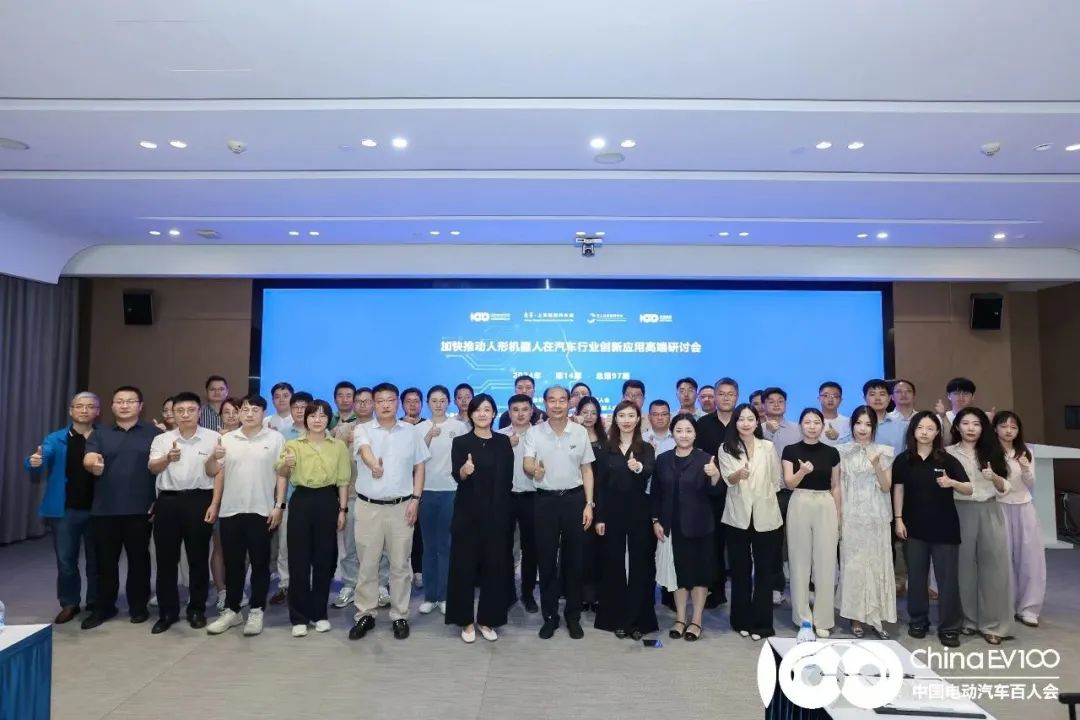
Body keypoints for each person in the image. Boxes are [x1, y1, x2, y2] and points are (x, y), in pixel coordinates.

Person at [348, 383, 431, 641]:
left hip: (402, 507)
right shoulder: (362, 429)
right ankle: (365, 613)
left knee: (400, 564)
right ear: (373, 403)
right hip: (368, 507)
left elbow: (419, 467)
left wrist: (416, 499)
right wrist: (374, 465)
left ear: (397, 403)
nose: (385, 404)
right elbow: (364, 451)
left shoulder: (411, 431)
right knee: (367, 563)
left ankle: (400, 614)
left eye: (390, 400)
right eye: (380, 400)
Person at [205, 395, 287, 636]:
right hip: (231, 510)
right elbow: (213, 472)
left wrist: (279, 505)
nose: (249, 414)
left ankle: (256, 610)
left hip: (262, 510)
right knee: (233, 563)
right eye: (245, 409)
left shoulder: (275, 439)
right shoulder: (227, 439)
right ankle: (232, 611)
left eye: (255, 410)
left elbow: (282, 474)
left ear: (264, 413)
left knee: (260, 564)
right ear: (239, 413)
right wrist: (212, 458)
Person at [81, 386, 162, 629]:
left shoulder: (155, 434)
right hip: (105, 509)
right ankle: (104, 607)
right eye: (119, 401)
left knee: (139, 562)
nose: (124, 405)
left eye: (130, 401)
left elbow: (162, 470)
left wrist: (158, 501)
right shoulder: (99, 434)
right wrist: (92, 464)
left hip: (141, 509)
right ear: (112, 406)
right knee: (105, 563)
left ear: (140, 406)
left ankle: (138, 607)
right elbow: (89, 458)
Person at [524, 386, 596, 639]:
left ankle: (573, 617)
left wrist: (589, 503)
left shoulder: (579, 432)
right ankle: (550, 617)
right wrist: (534, 470)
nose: (557, 405)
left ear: (569, 403)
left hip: (574, 500)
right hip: (545, 502)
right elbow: (527, 462)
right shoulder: (534, 432)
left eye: (562, 400)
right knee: (546, 561)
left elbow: (587, 470)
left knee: (574, 561)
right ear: (544, 403)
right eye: (552, 401)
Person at [893, 411, 970, 647]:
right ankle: (918, 621)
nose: (924, 432)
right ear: (913, 431)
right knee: (916, 578)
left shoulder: (947, 460)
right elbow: (898, 489)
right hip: (913, 528)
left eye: (930, 428)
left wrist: (951, 482)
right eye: (920, 428)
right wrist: (898, 519)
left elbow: (968, 488)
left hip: (944, 528)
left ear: (937, 432)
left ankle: (950, 627)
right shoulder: (903, 459)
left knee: (947, 580)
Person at [277, 399, 351, 637]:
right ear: (305, 418)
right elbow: (281, 472)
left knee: (323, 560)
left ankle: (319, 614)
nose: (317, 420)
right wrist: (287, 465)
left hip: (328, 500)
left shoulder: (338, 446)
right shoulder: (293, 444)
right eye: (313, 415)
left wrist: (342, 510)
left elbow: (343, 480)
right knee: (298, 560)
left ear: (329, 419)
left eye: (322, 416)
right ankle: (299, 617)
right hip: (301, 500)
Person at [25, 391, 101, 624]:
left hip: (99, 509)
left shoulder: (104, 436)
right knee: (66, 561)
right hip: (65, 510)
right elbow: (41, 458)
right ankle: (69, 603)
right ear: (71, 410)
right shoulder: (56, 438)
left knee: (97, 561)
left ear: (98, 411)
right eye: (80, 406)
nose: (84, 410)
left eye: (90, 406)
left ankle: (95, 602)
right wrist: (34, 461)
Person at [146, 391, 218, 633]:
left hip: (199, 500)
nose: (185, 415)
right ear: (173, 414)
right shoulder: (162, 439)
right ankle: (167, 611)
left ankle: (196, 609)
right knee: (166, 559)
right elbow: (153, 467)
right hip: (168, 502)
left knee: (198, 558)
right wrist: (167, 458)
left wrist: (214, 504)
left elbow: (217, 472)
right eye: (180, 411)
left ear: (200, 412)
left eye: (191, 410)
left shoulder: (213, 438)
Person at [446, 394, 514, 642]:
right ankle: (465, 621)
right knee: (463, 568)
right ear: (470, 414)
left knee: (494, 568)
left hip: (497, 515)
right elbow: (458, 475)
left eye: (487, 409)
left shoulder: (503, 442)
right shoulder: (461, 442)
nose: (482, 414)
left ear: (494, 413)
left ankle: (488, 619)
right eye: (477, 410)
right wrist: (465, 471)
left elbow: (507, 479)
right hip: (468, 516)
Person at [946, 407, 1013, 645]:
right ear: (957, 427)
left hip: (989, 510)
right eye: (966, 423)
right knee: (963, 568)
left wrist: (994, 477)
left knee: (994, 568)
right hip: (959, 511)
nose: (971, 428)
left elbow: (1006, 487)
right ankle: (969, 620)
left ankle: (994, 624)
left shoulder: (993, 451)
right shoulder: (947, 453)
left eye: (976, 424)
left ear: (983, 428)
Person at [717, 404, 783, 641]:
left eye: (750, 419)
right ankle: (741, 620)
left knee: (764, 571)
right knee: (740, 570)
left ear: (757, 422)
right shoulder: (726, 448)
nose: (745, 423)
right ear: (735, 422)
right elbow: (728, 479)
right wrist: (739, 475)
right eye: (741, 419)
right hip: (738, 517)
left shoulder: (768, 447)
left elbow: (776, 480)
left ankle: (762, 624)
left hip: (766, 515)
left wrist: (762, 496)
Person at [651, 414, 720, 641]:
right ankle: (680, 618)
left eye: (688, 430)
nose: (684, 435)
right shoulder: (663, 459)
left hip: (700, 526)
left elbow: (716, 494)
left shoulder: (706, 459)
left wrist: (715, 477)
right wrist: (656, 520)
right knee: (678, 574)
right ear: (672, 433)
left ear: (695, 434)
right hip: (671, 526)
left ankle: (696, 620)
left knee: (700, 575)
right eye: (679, 430)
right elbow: (656, 493)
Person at [595, 400, 658, 640]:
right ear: (615, 419)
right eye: (622, 415)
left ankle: (638, 620)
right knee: (613, 564)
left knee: (641, 565)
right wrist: (600, 517)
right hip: (611, 512)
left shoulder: (646, 447)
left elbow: (650, 470)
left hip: (639, 510)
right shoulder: (605, 449)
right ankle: (616, 619)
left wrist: (638, 467)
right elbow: (600, 486)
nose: (627, 420)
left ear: (638, 419)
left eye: (631, 415)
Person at [837, 405, 896, 638]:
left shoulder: (884, 451)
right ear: (852, 425)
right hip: (851, 516)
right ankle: (856, 618)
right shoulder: (841, 452)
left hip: (876, 517)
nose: (863, 428)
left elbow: (886, 486)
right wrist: (839, 516)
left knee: (877, 565)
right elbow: (837, 487)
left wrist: (876, 464)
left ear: (874, 427)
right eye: (859, 423)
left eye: (868, 424)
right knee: (854, 566)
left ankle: (877, 618)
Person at [782, 408, 841, 637]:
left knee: (826, 563)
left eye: (817, 422)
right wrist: (803, 471)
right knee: (799, 561)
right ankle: (803, 617)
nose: (812, 426)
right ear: (800, 426)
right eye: (807, 422)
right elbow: (789, 483)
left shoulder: (832, 452)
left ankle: (823, 619)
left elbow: (835, 486)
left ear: (823, 426)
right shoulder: (790, 450)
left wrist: (839, 516)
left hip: (825, 503)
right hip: (800, 501)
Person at [416, 385, 469, 615]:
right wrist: (428, 436)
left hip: (451, 491)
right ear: (428, 403)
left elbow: (465, 458)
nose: (438, 404)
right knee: (429, 546)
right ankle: (430, 596)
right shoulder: (419, 428)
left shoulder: (458, 427)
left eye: (442, 400)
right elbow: (415, 458)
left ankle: (445, 595)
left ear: (449, 402)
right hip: (426, 491)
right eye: (434, 400)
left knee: (446, 545)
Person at [993, 411, 1045, 628]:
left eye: (1013, 427)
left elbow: (1030, 483)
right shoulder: (989, 452)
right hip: (998, 507)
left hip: (1023, 507)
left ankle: (1029, 608)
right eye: (1004, 426)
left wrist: (1024, 468)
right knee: (1002, 560)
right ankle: (1006, 606)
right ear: (995, 428)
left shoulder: (1026, 452)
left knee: (1030, 558)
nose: (1008, 431)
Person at [694, 377, 739, 608]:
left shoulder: (744, 421)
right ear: (715, 396)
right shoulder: (703, 424)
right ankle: (717, 590)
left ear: (737, 397)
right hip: (711, 493)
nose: (725, 398)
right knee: (713, 544)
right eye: (721, 393)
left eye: (730, 394)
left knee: (738, 545)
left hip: (740, 491)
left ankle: (741, 595)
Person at [270, 391, 313, 606]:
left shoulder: (322, 434)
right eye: (295, 407)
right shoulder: (282, 436)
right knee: (286, 545)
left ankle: (308, 584)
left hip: (313, 500)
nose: (299, 411)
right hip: (288, 498)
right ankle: (285, 584)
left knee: (311, 545)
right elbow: (278, 470)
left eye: (304, 407)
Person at [499, 393, 539, 612]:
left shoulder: (540, 434)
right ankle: (508, 593)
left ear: (531, 411)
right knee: (505, 548)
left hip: (532, 497)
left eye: (525, 409)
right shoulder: (499, 436)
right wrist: (505, 446)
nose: (520, 414)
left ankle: (528, 593)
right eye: (515, 410)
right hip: (506, 498)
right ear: (509, 412)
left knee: (531, 549)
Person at [761, 387, 799, 605]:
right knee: (772, 544)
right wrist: (768, 431)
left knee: (799, 542)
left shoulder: (797, 429)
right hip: (768, 494)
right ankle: (775, 587)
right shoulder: (755, 429)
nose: (776, 404)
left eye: (780, 400)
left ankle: (804, 588)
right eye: (771, 401)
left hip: (794, 492)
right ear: (763, 405)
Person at [210, 397, 242, 609]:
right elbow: (211, 470)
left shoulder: (251, 437)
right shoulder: (215, 439)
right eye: (226, 412)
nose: (231, 416)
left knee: (243, 551)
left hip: (247, 500)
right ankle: (222, 590)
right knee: (220, 547)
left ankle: (237, 589)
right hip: (221, 500)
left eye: (235, 411)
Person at [577, 395, 607, 613]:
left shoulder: (606, 440)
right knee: (579, 549)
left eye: (593, 412)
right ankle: (579, 595)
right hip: (577, 498)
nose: (589, 416)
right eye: (585, 412)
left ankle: (596, 595)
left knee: (599, 549)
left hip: (602, 498)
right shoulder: (572, 435)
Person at [864, 379, 907, 456]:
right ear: (865, 398)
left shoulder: (902, 426)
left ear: (889, 398)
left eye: (882, 394)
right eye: (872, 394)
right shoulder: (855, 425)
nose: (877, 398)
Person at [818, 381, 850, 447]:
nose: (830, 399)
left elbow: (853, 445)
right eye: (826, 395)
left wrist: (838, 437)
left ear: (841, 400)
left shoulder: (848, 422)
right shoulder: (811, 422)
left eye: (835, 396)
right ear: (819, 398)